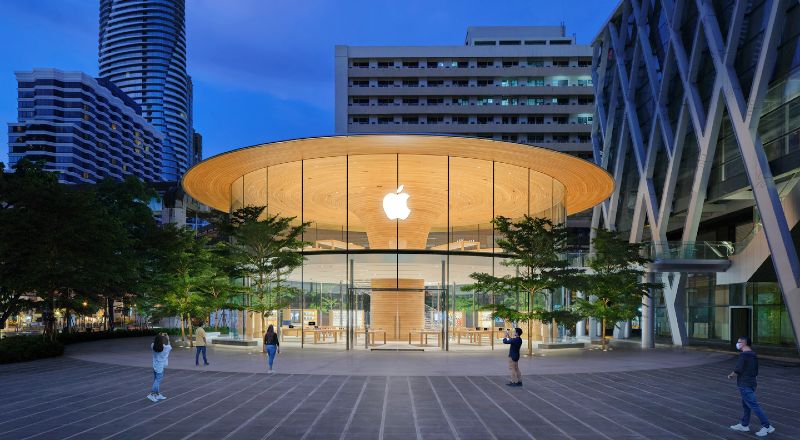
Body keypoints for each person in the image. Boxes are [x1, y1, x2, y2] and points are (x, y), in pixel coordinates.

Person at [728, 336, 775, 437]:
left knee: (754, 405)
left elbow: (738, 370)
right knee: (746, 405)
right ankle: (744, 425)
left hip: (745, 384)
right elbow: (756, 371)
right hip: (752, 383)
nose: (737, 343)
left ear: (744, 343)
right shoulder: (753, 355)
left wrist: (730, 375)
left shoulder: (744, 355)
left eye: (739, 342)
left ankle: (767, 426)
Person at [148, 333, 172, 402]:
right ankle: (152, 394)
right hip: (160, 367)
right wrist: (167, 338)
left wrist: (159, 336)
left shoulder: (152, 346)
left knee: (156, 380)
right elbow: (169, 346)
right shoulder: (164, 348)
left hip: (155, 366)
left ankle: (157, 394)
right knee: (157, 381)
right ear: (161, 341)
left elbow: (155, 342)